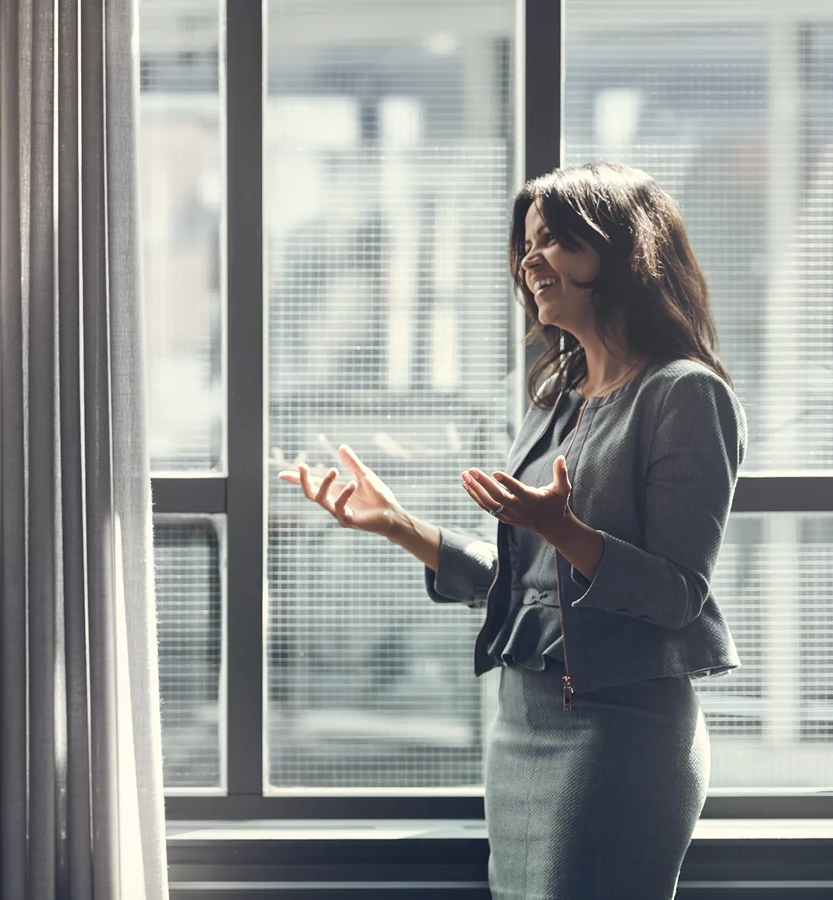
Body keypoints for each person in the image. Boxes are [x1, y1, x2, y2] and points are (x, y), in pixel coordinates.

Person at [281, 162, 746, 899]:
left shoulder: (686, 394)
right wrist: (399, 525)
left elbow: (677, 597)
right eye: (526, 243)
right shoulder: (557, 396)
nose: (530, 260)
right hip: (522, 726)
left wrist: (562, 530)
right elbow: (529, 588)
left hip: (620, 736)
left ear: (625, 250)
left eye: (555, 239)